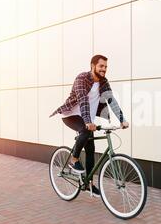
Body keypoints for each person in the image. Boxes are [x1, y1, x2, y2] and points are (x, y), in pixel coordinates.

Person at [49, 55, 129, 196]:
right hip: (71, 116)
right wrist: (87, 121)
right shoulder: (82, 78)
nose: (104, 69)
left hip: (87, 120)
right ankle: (74, 160)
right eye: (101, 66)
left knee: (91, 149)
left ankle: (89, 184)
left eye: (105, 67)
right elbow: (83, 101)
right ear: (93, 66)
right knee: (85, 132)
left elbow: (111, 100)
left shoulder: (104, 82)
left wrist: (122, 119)